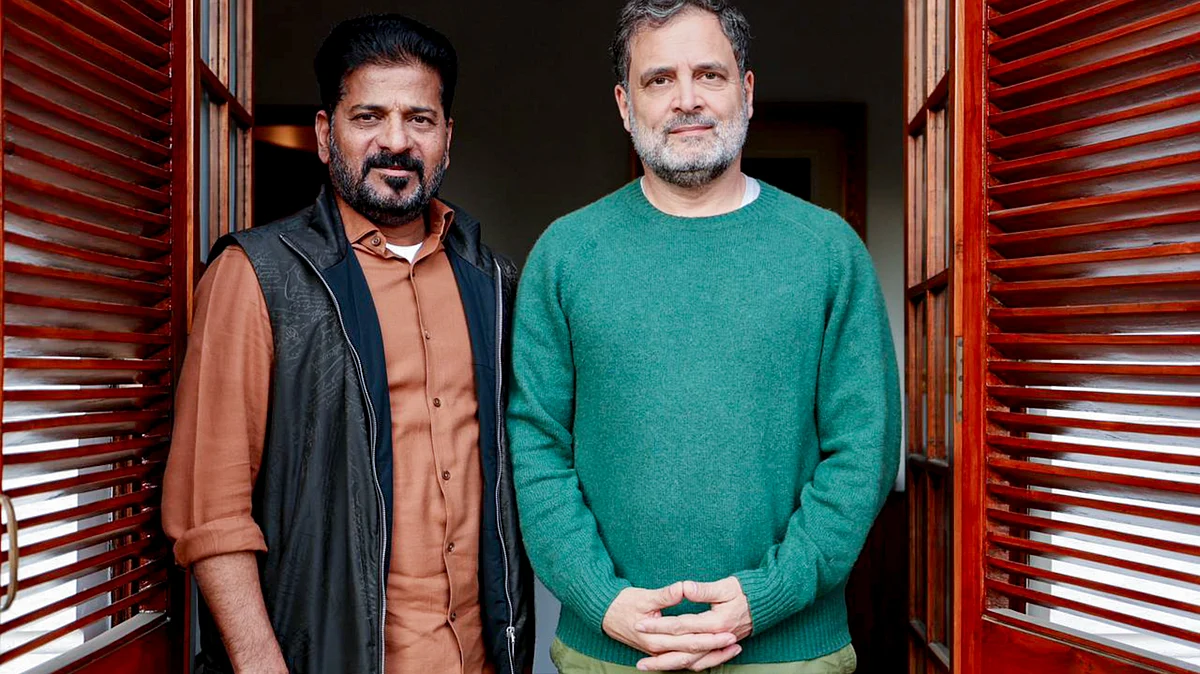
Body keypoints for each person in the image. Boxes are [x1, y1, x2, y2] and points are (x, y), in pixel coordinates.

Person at [507, 1, 899, 672]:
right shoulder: (565, 254)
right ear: (625, 104)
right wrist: (602, 599)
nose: (686, 99)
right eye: (659, 79)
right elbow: (535, 446)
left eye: (709, 75)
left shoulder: (828, 251)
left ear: (746, 90)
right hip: (611, 653)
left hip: (789, 655)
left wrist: (768, 595)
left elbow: (863, 451)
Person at [162, 14, 533, 674]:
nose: (396, 141)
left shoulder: (494, 282)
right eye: (368, 117)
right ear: (323, 133)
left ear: (447, 138)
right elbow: (209, 512)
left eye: (420, 119)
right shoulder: (257, 276)